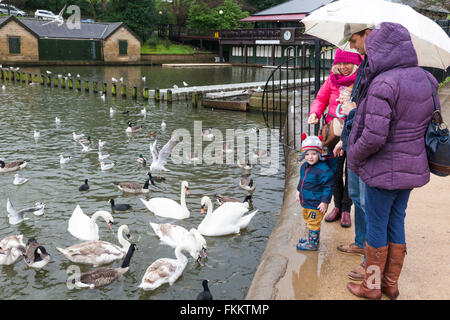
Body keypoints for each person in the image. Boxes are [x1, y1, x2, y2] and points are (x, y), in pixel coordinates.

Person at [343, 22, 438, 300]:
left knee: (375, 224)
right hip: (411, 168)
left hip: (383, 170)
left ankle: (371, 286)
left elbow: (373, 137)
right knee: (396, 221)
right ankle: (390, 284)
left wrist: (354, 154)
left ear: (381, 48)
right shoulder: (427, 80)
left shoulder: (384, 83)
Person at [308, 48, 364, 228]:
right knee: (334, 171)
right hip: (334, 133)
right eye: (339, 63)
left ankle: (347, 208)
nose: (342, 67)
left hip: (355, 132)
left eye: (346, 63)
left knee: (351, 172)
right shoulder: (332, 80)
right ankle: (337, 206)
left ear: (355, 63)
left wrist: (352, 104)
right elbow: (320, 99)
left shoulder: (362, 82)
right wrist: (315, 113)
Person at [295, 134, 334, 251]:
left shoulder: (323, 170)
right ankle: (311, 238)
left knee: (313, 222)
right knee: (308, 219)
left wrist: (325, 202)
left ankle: (312, 244)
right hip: (306, 201)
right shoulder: (304, 167)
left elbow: (328, 187)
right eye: (306, 154)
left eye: (313, 153)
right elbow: (302, 180)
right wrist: (298, 191)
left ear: (319, 154)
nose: (310, 157)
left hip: (316, 203)